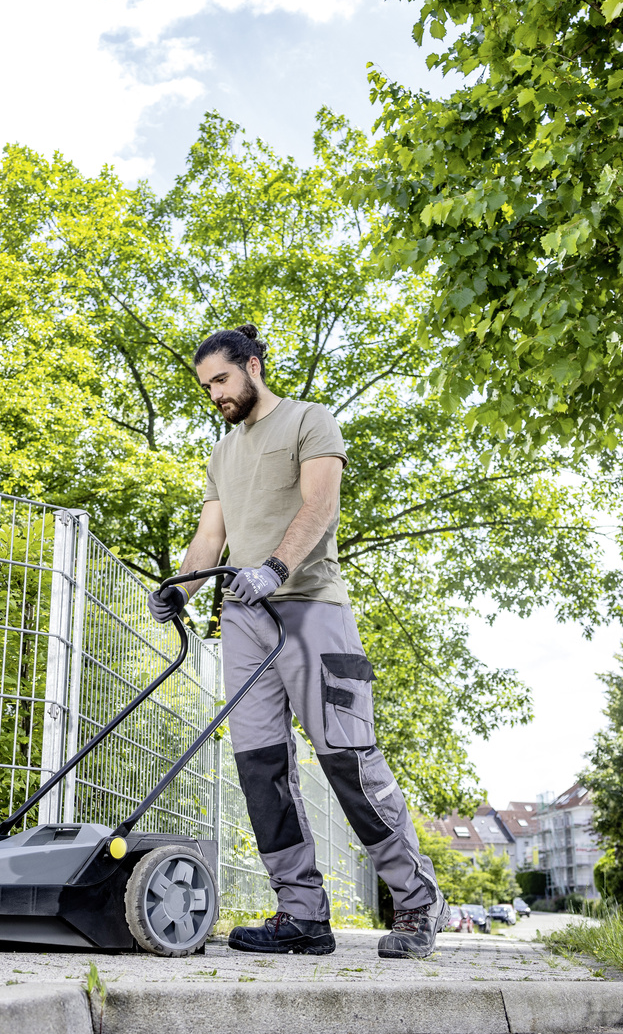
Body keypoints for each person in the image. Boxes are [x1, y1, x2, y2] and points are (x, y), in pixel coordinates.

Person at [148, 324, 446, 958]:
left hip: (312, 611)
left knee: (349, 759)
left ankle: (417, 902)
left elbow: (320, 507)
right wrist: (181, 588)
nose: (216, 395)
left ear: (253, 366)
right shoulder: (222, 454)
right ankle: (302, 913)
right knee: (261, 769)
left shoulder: (311, 420)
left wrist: (274, 569)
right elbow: (210, 539)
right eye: (207, 387)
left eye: (222, 380)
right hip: (245, 619)